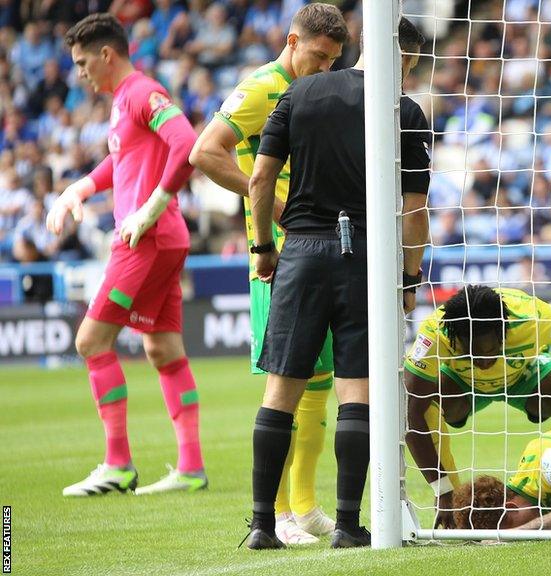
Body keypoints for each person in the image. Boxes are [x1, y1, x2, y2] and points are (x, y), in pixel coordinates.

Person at [243, 18, 431, 550]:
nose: (406, 78)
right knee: (357, 390)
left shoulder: (299, 92)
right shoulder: (404, 111)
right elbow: (414, 212)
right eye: (409, 67)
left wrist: (263, 248)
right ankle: (349, 524)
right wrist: (409, 277)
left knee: (281, 389)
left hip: (300, 250)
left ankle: (261, 524)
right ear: (402, 57)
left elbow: (260, 179)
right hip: (364, 256)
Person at [188, 2, 346, 546]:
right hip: (278, 257)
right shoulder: (263, 87)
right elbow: (205, 152)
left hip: (318, 251)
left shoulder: (315, 87)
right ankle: (275, 513)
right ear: (293, 41)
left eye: (333, 61)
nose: (324, 68)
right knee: (285, 382)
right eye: (318, 56)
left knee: (319, 383)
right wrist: (275, 207)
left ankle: (304, 505)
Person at [46, 14, 206, 496]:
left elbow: (187, 145)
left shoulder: (140, 92)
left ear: (106, 55)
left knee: (91, 342)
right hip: (164, 236)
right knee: (162, 349)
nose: (79, 74)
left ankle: (117, 465)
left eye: (81, 62)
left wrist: (148, 210)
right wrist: (81, 186)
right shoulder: (123, 104)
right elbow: (124, 159)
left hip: (146, 238)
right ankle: (191, 468)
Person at [405, 284, 551, 528]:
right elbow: (410, 412)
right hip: (461, 386)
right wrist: (441, 489)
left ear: (504, 331)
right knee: (419, 404)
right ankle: (456, 505)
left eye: (491, 351)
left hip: (522, 378)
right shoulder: (435, 332)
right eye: (471, 354)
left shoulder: (532, 316)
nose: (483, 363)